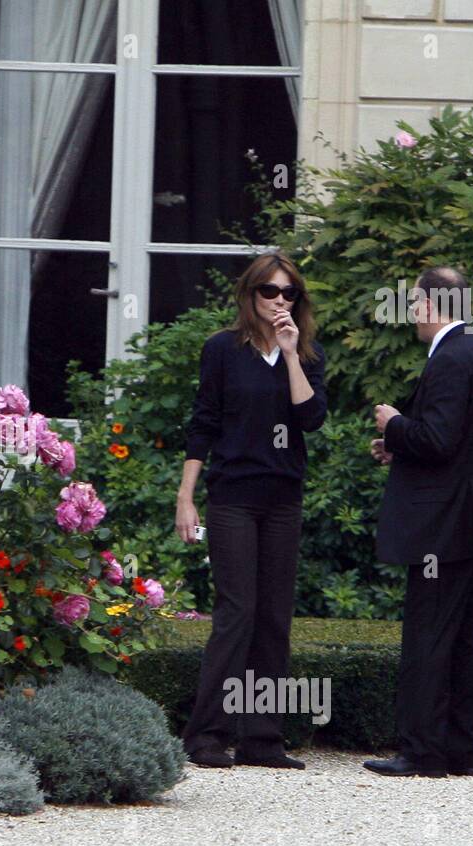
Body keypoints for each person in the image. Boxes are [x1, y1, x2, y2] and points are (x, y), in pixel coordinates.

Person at [174, 252, 328, 769]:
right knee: (236, 612)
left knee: (274, 618)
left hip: (283, 499)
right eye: (270, 291)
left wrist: (289, 355)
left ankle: (263, 739)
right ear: (250, 294)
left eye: (290, 294)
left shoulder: (305, 353)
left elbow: (310, 419)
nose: (280, 300)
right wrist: (185, 497)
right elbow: (204, 423)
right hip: (233, 497)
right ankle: (206, 735)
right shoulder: (221, 349)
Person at [365, 266, 473, 778]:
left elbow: (439, 440)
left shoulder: (449, 359)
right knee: (464, 639)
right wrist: (399, 447)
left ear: (429, 306)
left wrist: (395, 424)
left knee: (427, 635)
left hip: (441, 529)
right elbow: (463, 446)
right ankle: (458, 752)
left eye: (413, 304)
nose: (410, 314)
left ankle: (422, 752)